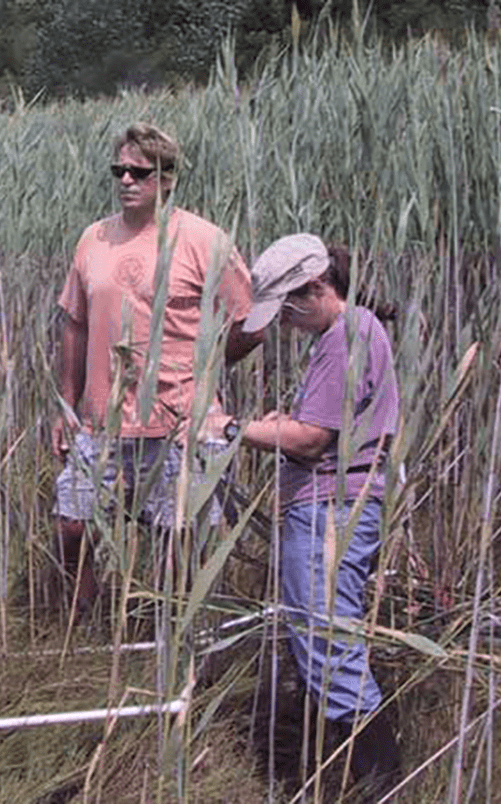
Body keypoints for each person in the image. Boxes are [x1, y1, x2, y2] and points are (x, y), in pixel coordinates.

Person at [210, 234, 402, 794]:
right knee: (321, 642)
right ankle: (341, 775)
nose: (287, 323)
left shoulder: (347, 335)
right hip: (334, 507)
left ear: (316, 288)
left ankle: (379, 784)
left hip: (330, 510)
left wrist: (227, 427)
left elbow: (313, 440)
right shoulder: (349, 332)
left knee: (329, 646)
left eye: (288, 309)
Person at [51, 123, 262, 612]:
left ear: (166, 178)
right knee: (72, 523)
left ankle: (176, 635)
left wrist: (203, 373)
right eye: (118, 170)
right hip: (103, 423)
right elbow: (74, 324)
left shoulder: (205, 241)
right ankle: (82, 622)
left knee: (179, 537)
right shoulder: (93, 239)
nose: (126, 180)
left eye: (138, 172)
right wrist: (67, 404)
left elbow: (251, 325)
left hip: (180, 422)